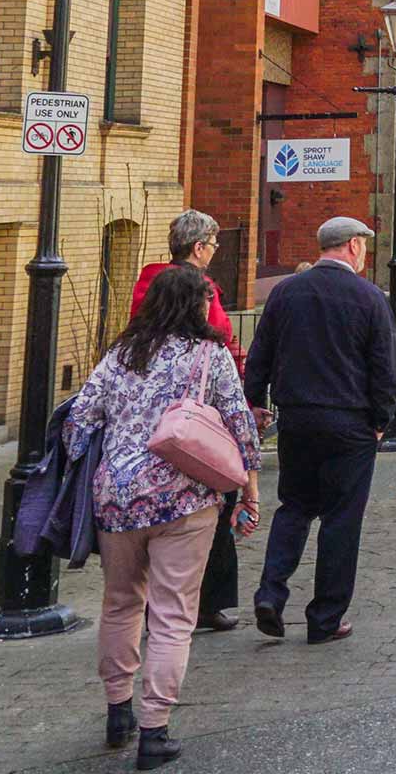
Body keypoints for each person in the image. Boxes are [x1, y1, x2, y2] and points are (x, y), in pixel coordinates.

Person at [66, 263, 259, 770]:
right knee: (173, 616)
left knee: (120, 605)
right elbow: (240, 424)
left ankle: (117, 710)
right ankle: (155, 730)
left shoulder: (121, 353)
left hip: (117, 501)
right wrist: (249, 487)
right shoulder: (209, 355)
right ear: (197, 306)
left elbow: (79, 423)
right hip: (185, 499)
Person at [246, 215, 396, 644]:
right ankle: (325, 618)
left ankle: (271, 594)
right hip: (350, 422)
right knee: (341, 520)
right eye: (363, 244)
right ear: (352, 246)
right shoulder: (369, 298)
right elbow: (384, 367)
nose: (365, 251)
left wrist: (255, 401)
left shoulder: (286, 293)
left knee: (293, 507)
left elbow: (261, 352)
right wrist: (382, 421)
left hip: (297, 417)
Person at [132, 210, 244, 632]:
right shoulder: (200, 290)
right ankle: (204, 603)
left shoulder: (149, 281)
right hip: (197, 416)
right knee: (212, 509)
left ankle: (154, 602)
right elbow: (220, 339)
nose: (214, 252)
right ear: (198, 248)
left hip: (150, 424)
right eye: (213, 245)